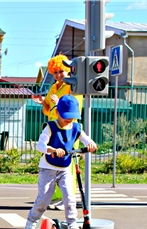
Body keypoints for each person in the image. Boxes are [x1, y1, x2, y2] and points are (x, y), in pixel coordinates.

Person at [23, 95, 97, 229]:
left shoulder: (76, 128)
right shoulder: (50, 127)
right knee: (44, 198)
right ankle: (31, 222)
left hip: (64, 169)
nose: (69, 119)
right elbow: (40, 146)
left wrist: (91, 145)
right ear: (58, 113)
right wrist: (51, 149)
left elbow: (88, 140)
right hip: (47, 168)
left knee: (70, 197)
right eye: (66, 116)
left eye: (72, 116)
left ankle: (72, 224)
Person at [32, 54, 83, 210]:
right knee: (52, 160)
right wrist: (42, 102)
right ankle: (55, 196)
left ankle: (68, 198)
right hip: (54, 128)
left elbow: (74, 106)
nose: (58, 75)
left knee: (68, 162)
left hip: (68, 128)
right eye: (55, 72)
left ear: (67, 70)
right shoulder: (54, 87)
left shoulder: (71, 86)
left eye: (61, 71)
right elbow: (48, 110)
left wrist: (58, 102)